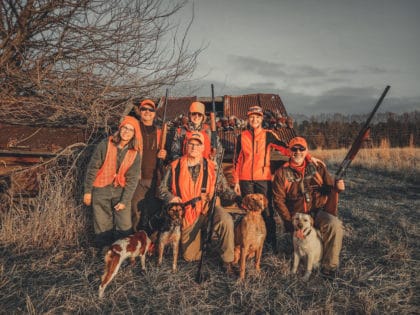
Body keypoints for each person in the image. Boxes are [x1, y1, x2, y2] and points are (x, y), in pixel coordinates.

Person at [159, 132, 239, 273]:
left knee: (226, 220)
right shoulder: (174, 166)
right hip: (188, 214)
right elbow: (161, 189)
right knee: (190, 257)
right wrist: (171, 197)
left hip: (208, 208)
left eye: (198, 144)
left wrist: (238, 198)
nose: (194, 147)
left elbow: (224, 189)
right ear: (186, 146)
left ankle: (228, 260)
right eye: (191, 143)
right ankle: (202, 240)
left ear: (203, 148)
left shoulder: (212, 167)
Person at [272, 136, 345, 277]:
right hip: (298, 216)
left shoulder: (318, 167)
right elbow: (278, 201)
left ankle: (329, 267)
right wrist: (291, 223)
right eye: (294, 149)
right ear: (289, 151)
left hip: (317, 212)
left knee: (334, 225)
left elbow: (330, 188)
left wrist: (338, 188)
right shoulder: (281, 173)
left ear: (306, 151)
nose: (298, 152)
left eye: (301, 149)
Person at [232, 105, 291, 252]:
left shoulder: (268, 134)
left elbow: (284, 148)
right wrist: (236, 181)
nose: (254, 119)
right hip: (245, 179)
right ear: (248, 118)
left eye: (257, 117)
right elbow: (236, 160)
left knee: (267, 211)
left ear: (261, 119)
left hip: (263, 179)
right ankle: (250, 244)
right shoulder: (242, 136)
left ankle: (270, 244)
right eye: (252, 117)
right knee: (249, 211)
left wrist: (298, 153)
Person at [83, 115, 142, 250]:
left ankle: (123, 254)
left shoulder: (135, 153)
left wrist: (124, 201)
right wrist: (87, 192)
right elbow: (92, 168)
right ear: (120, 129)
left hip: (120, 191)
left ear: (134, 134)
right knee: (102, 225)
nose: (126, 132)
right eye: (125, 128)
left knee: (124, 225)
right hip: (101, 189)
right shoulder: (105, 145)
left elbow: (132, 180)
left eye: (131, 130)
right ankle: (105, 253)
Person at [131, 99, 167, 233]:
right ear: (139, 112)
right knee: (135, 209)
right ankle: (135, 240)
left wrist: (164, 154)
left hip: (154, 178)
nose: (147, 112)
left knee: (153, 209)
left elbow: (168, 157)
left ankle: (151, 242)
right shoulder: (134, 129)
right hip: (136, 178)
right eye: (144, 109)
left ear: (154, 113)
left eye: (150, 110)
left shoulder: (160, 133)